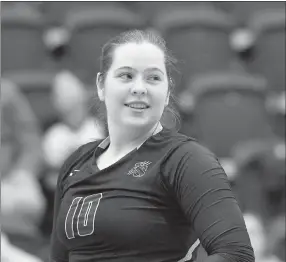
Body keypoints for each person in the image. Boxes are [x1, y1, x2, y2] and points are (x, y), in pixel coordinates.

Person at [50, 29, 254, 262]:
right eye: (126, 76)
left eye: (153, 78)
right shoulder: (75, 162)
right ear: (101, 85)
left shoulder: (186, 159)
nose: (139, 88)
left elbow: (237, 255)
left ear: (167, 92)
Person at [1, 78, 45, 261]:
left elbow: (31, 141)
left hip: (10, 183)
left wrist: (23, 173)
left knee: (26, 204)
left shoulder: (6, 92)